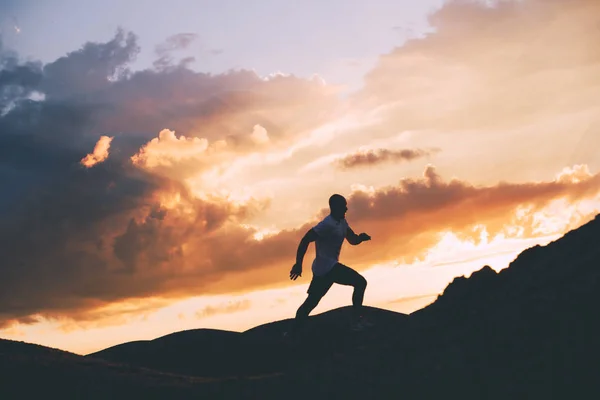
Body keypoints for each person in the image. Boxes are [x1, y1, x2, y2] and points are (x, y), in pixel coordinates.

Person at [288, 194, 373, 336]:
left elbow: (352, 239)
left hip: (325, 269)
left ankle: (292, 332)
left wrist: (360, 238)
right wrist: (298, 264)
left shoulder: (342, 222)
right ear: (334, 207)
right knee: (360, 282)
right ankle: (357, 321)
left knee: (311, 303)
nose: (346, 208)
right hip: (327, 268)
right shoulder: (326, 224)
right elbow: (305, 239)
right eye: (343, 206)